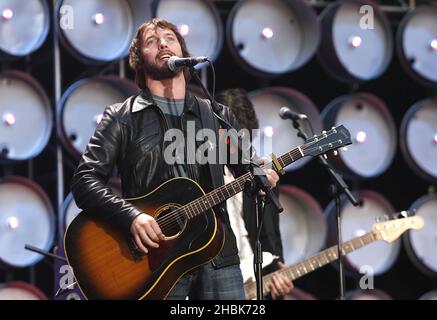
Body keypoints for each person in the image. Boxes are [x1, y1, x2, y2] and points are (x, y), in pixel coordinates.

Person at [70, 18, 279, 300]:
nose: (163, 44)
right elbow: (84, 180)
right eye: (151, 42)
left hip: (217, 254)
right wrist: (132, 217)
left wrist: (264, 178)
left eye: (169, 38)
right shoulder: (121, 117)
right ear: (138, 60)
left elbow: (250, 177)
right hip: (153, 261)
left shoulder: (216, 115)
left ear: (182, 51)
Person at [215, 88, 293, 300]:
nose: (237, 148)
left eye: (244, 139)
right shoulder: (201, 174)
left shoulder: (261, 173)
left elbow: (270, 234)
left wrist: (277, 270)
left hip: (253, 281)